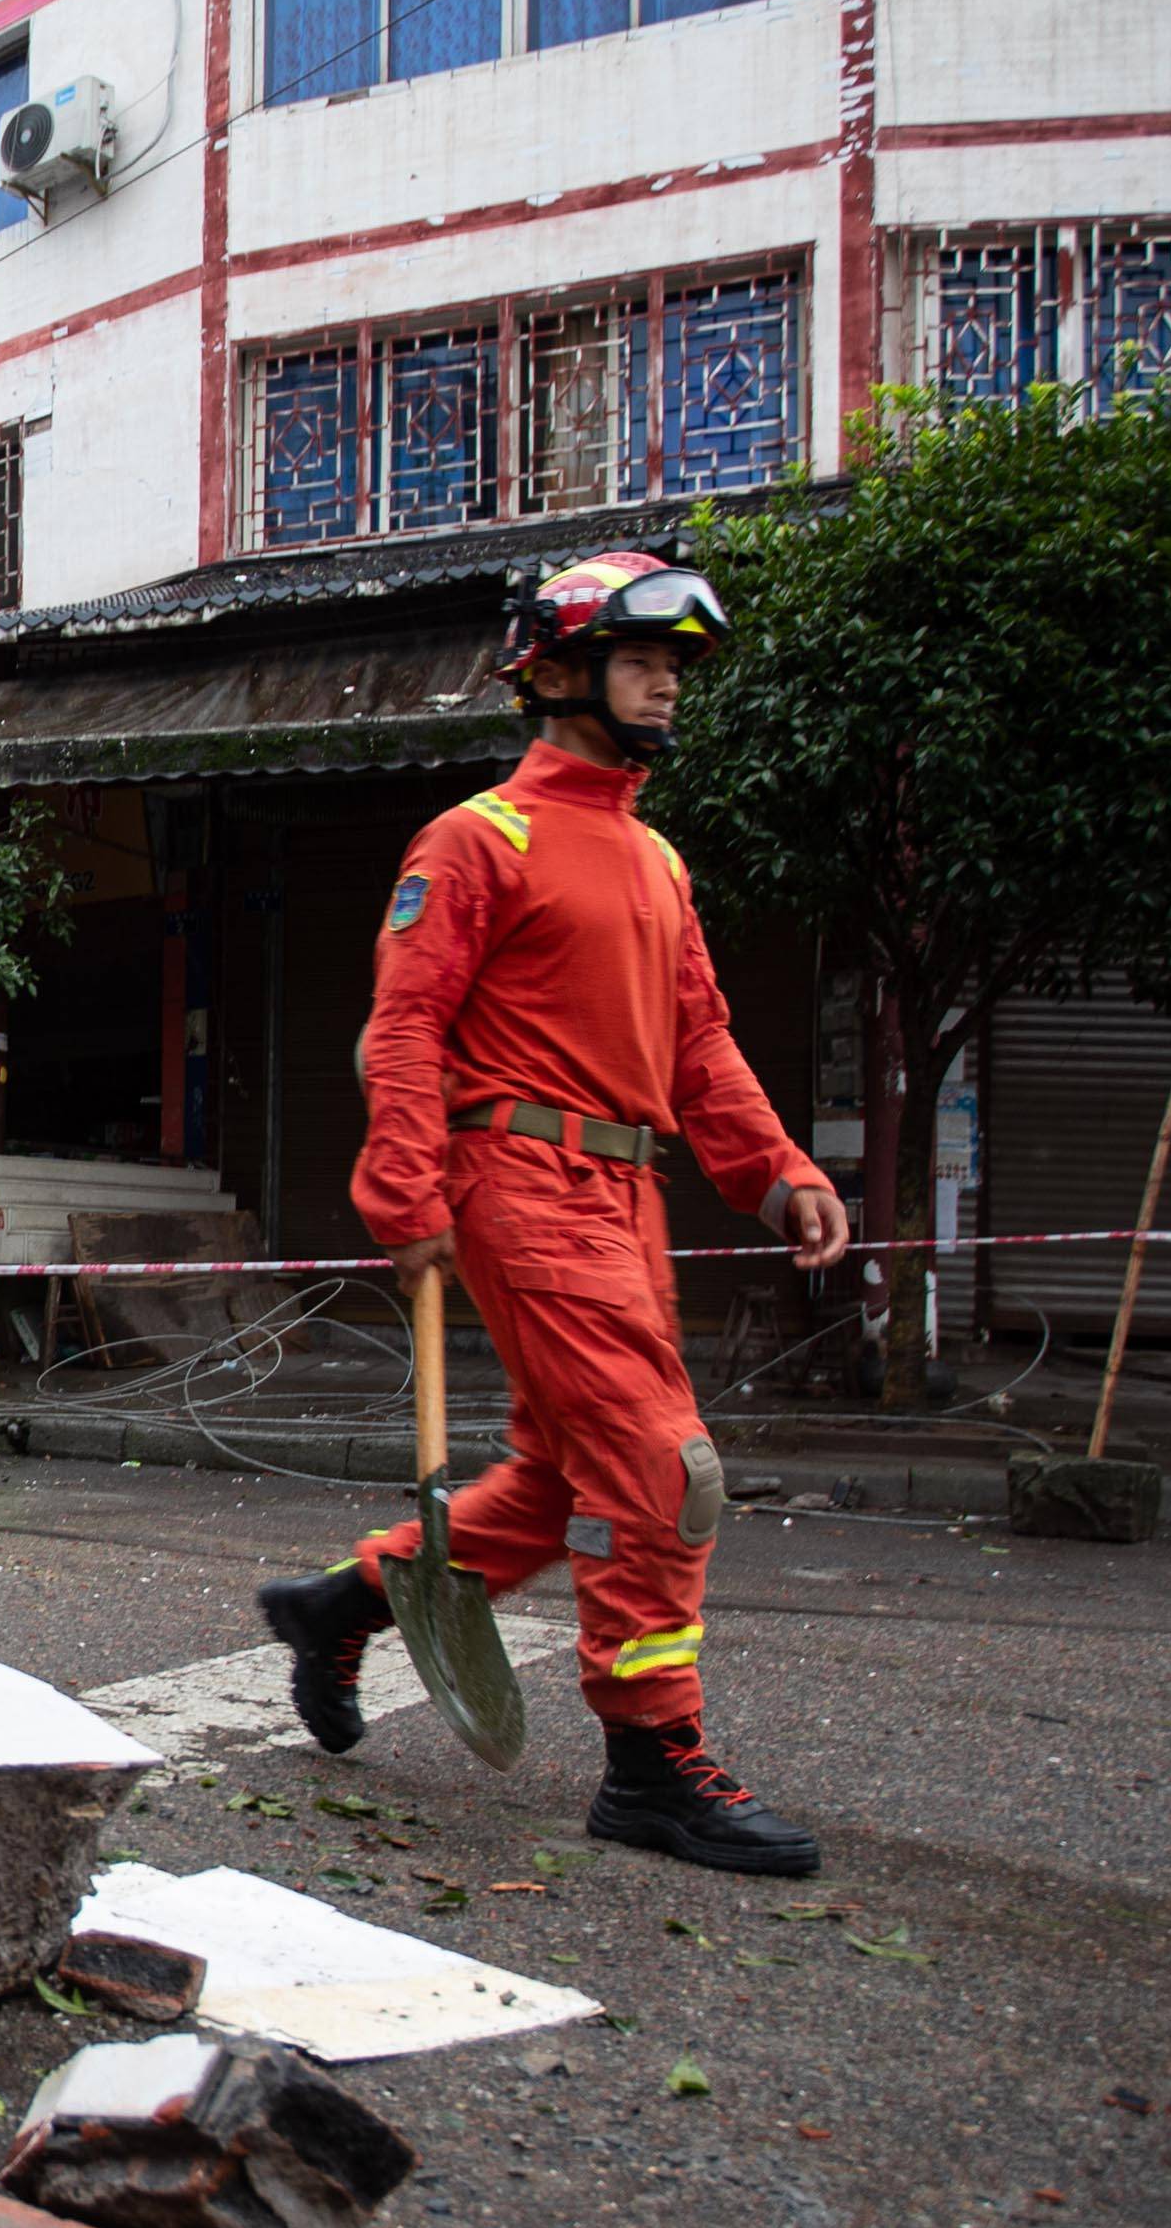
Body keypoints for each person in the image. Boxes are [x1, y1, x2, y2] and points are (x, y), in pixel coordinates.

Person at [256, 550, 851, 1878]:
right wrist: (401, 1188)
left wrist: (779, 1172)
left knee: (563, 1475)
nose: (666, 685)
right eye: (644, 660)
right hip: (519, 1185)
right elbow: (405, 1024)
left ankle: (340, 1603)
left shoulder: (655, 858)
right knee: (664, 1469)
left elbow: (700, 1039)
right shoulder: (480, 839)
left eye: (674, 666)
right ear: (562, 671)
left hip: (628, 1193)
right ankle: (651, 1762)